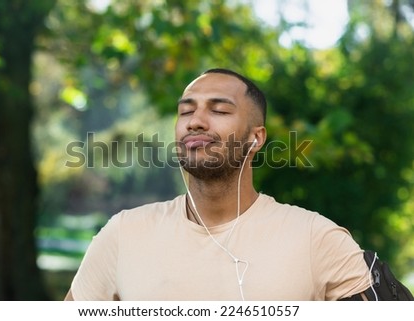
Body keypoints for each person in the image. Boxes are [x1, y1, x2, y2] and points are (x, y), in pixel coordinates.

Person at [64, 68, 373, 301]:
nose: (195, 121)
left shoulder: (318, 240)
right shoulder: (122, 234)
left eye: (219, 110)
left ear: (256, 138)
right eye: (186, 110)